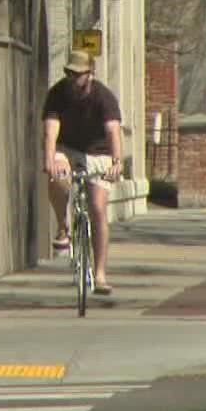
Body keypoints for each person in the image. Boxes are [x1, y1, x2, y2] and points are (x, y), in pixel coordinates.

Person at [42, 50, 124, 295]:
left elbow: (113, 132)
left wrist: (117, 162)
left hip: (99, 154)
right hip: (69, 149)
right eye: (69, 73)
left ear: (90, 74)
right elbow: (50, 131)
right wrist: (49, 160)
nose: (73, 79)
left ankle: (100, 274)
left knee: (97, 208)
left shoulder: (103, 97)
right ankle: (62, 227)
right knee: (58, 174)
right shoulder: (57, 94)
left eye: (78, 74)